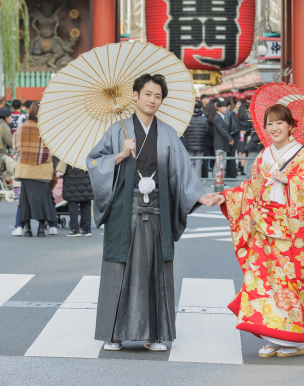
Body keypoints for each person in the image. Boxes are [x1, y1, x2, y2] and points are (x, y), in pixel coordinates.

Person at [87, 73, 216, 352]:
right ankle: (113, 334)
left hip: (157, 208)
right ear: (135, 96)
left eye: (158, 96)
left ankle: (154, 335)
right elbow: (94, 162)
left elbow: (183, 171)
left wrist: (199, 195)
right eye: (148, 94)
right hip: (124, 209)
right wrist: (120, 155)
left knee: (156, 268)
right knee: (119, 267)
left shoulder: (168, 133)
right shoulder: (117, 130)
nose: (153, 100)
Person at [212, 104, 304, 358]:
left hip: (292, 232)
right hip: (264, 229)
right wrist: (225, 197)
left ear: (291, 126)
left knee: (290, 284)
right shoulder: (264, 155)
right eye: (270, 124)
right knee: (265, 282)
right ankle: (274, 336)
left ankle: (294, 340)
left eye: (279, 123)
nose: (274, 128)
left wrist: (289, 180)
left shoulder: (302, 155)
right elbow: (251, 188)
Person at [14, 102, 56, 237]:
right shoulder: (48, 129)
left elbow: (15, 146)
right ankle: (41, 228)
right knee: (43, 199)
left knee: (25, 200)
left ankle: (27, 228)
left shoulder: (22, 127)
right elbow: (54, 149)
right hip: (43, 170)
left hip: (26, 169)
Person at [57, 161, 94, 237]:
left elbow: (60, 170)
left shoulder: (69, 155)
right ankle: (87, 229)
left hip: (71, 183)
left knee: (73, 206)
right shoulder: (88, 154)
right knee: (86, 205)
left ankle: (74, 230)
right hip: (87, 182)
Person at [182, 103, 209, 175]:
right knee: (199, 161)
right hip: (201, 144)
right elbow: (206, 131)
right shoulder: (204, 119)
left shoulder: (188, 119)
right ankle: (197, 177)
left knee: (189, 162)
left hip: (189, 144)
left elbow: (184, 131)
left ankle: (189, 177)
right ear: (201, 108)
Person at [213, 98, 237, 178]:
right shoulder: (217, 118)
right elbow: (222, 130)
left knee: (221, 163)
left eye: (225, 107)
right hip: (220, 143)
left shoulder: (222, 117)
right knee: (219, 163)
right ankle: (217, 180)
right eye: (223, 107)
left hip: (223, 143)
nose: (225, 109)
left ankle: (220, 180)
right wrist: (230, 138)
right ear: (218, 108)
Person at [235, 99, 252, 176]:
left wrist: (240, 131)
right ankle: (242, 169)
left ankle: (239, 167)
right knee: (244, 153)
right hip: (245, 138)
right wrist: (245, 131)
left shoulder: (236, 119)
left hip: (238, 137)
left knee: (239, 152)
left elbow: (235, 128)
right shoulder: (248, 119)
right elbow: (251, 128)